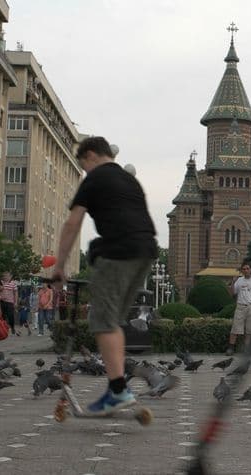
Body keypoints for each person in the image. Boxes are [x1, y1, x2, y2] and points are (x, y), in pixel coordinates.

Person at [52, 136, 157, 415]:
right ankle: (117, 387)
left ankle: (119, 391)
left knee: (101, 320)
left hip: (118, 252)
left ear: (90, 156)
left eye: (83, 165)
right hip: (145, 251)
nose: (85, 171)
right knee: (113, 322)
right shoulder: (129, 180)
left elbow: (73, 223)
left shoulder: (95, 178)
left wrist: (59, 266)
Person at [225, 262, 251, 356]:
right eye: (244, 269)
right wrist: (233, 282)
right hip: (240, 307)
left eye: (247, 268)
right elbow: (232, 294)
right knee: (235, 328)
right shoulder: (239, 281)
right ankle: (230, 348)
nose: (246, 270)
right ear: (242, 271)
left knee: (250, 330)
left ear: (250, 270)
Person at [0, 271, 20, 336]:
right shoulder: (0, 282)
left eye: (7, 276)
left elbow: (16, 293)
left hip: (10, 302)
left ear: (10, 277)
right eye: (4, 276)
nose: (5, 277)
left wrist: (15, 302)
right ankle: (3, 329)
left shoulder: (13, 283)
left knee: (10, 316)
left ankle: (12, 327)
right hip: (2, 302)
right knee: (2, 316)